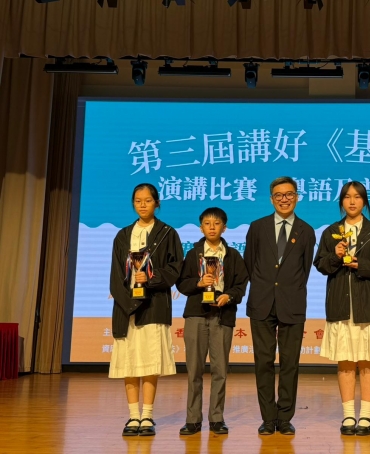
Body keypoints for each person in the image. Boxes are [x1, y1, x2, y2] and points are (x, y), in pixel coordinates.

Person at [313, 181, 370, 436]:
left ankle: (366, 416)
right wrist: (335, 255)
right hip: (341, 305)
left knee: (368, 362)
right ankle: (348, 415)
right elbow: (321, 265)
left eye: (357, 197)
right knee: (345, 362)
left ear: (365, 201)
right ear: (341, 202)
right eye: (347, 197)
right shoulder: (331, 232)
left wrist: (362, 265)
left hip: (369, 305)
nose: (352, 201)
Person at [109, 183, 184, 436]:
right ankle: (133, 416)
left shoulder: (168, 233)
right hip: (126, 308)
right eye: (138, 201)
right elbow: (115, 276)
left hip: (154, 305)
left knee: (151, 363)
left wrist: (151, 278)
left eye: (148, 200)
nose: (143, 205)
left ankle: (148, 416)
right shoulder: (122, 235)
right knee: (128, 362)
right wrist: (129, 303)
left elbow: (175, 269)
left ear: (157, 203)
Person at [244, 176, 316, 436]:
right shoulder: (257, 227)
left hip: (292, 304)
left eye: (289, 194)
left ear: (297, 197)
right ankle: (268, 418)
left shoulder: (306, 231)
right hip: (262, 303)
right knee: (263, 362)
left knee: (290, 363)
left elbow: (304, 270)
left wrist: (288, 290)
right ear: (271, 199)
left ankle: (285, 418)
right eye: (279, 195)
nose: (284, 199)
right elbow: (249, 264)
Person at [176, 207, 249, 436]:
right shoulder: (193, 254)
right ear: (201, 227)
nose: (212, 227)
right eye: (207, 223)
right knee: (194, 370)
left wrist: (229, 296)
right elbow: (181, 283)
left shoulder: (233, 255)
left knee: (220, 370)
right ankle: (193, 420)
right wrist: (198, 284)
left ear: (224, 227)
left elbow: (241, 285)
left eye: (216, 223)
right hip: (196, 315)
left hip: (222, 316)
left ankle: (217, 418)